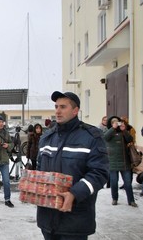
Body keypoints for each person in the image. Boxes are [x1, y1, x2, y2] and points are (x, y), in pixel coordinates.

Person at [37, 91, 109, 239]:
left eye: (63, 107)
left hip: (75, 220)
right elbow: (40, 168)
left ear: (75, 111)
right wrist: (34, 186)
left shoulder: (91, 137)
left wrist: (74, 194)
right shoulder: (47, 137)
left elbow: (100, 173)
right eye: (56, 106)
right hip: (47, 218)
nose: (57, 111)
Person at [103, 116, 138, 207]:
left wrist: (124, 130)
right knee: (114, 182)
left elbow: (130, 140)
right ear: (111, 124)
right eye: (114, 123)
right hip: (112, 161)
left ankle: (131, 200)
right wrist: (112, 128)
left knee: (127, 183)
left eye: (117, 122)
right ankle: (115, 199)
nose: (117, 124)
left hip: (124, 161)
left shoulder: (123, 132)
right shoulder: (108, 131)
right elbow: (105, 138)